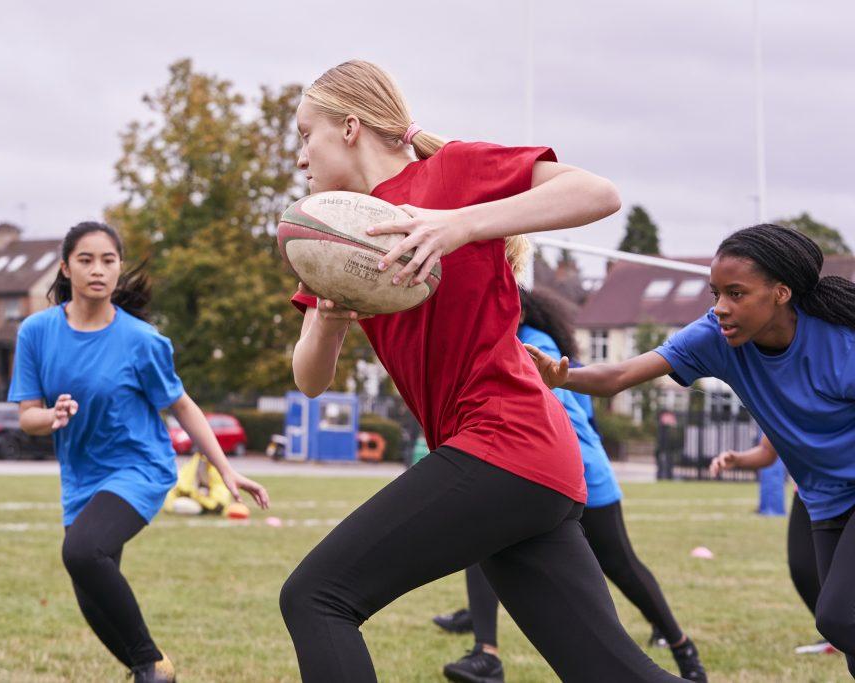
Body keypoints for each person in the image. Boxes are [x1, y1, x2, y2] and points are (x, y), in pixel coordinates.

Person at [279, 59, 680, 682]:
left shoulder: (453, 172)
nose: (301, 157)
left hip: (505, 443)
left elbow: (599, 193)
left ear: (350, 126)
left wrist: (459, 224)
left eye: (306, 134)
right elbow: (308, 380)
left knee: (315, 597)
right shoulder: (339, 232)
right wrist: (330, 317)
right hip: (525, 464)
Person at [527, 224, 855, 676]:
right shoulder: (714, 338)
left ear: (781, 293)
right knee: (845, 631)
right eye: (715, 293)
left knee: (838, 616)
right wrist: (563, 378)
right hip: (825, 499)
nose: (721, 307)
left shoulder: (842, 345)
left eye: (736, 293)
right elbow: (619, 376)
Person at [9, 221, 269, 683]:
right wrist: (50, 417)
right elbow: (27, 414)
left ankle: (150, 666)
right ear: (66, 268)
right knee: (90, 592)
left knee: (82, 553)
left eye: (108, 260)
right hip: (81, 476)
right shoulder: (36, 332)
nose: (98, 270)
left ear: (119, 268)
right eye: (86, 260)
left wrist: (225, 470)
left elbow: (182, 406)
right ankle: (150, 669)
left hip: (140, 467)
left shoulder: (142, 341)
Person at [436, 284, 706, 683]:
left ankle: (683, 650)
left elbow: (550, 414)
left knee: (621, 565)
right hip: (536, 472)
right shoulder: (500, 343)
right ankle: (486, 653)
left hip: (580, 474)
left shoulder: (533, 345)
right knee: (480, 541)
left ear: (518, 312)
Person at [710, 437, 837, 655]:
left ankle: (841, 631)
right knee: (802, 569)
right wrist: (737, 459)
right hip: (809, 490)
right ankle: (837, 633)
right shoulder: (789, 403)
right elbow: (767, 451)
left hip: (847, 488)